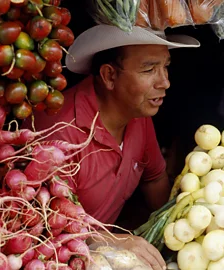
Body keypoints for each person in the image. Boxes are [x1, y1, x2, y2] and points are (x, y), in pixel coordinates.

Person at [23, 25, 200, 270]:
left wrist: (174, 230)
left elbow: (154, 177)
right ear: (109, 76)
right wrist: (116, 241)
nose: (165, 82)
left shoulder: (138, 114)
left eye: (165, 66)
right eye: (149, 69)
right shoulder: (59, 134)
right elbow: (50, 227)